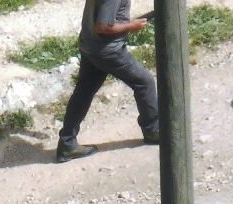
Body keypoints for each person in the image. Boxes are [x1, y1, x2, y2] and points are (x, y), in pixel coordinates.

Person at [56, 0, 159, 163]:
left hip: (90, 45)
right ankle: (153, 131)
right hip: (108, 51)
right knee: (144, 83)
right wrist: (130, 27)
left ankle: (67, 143)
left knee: (83, 93)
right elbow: (103, 26)